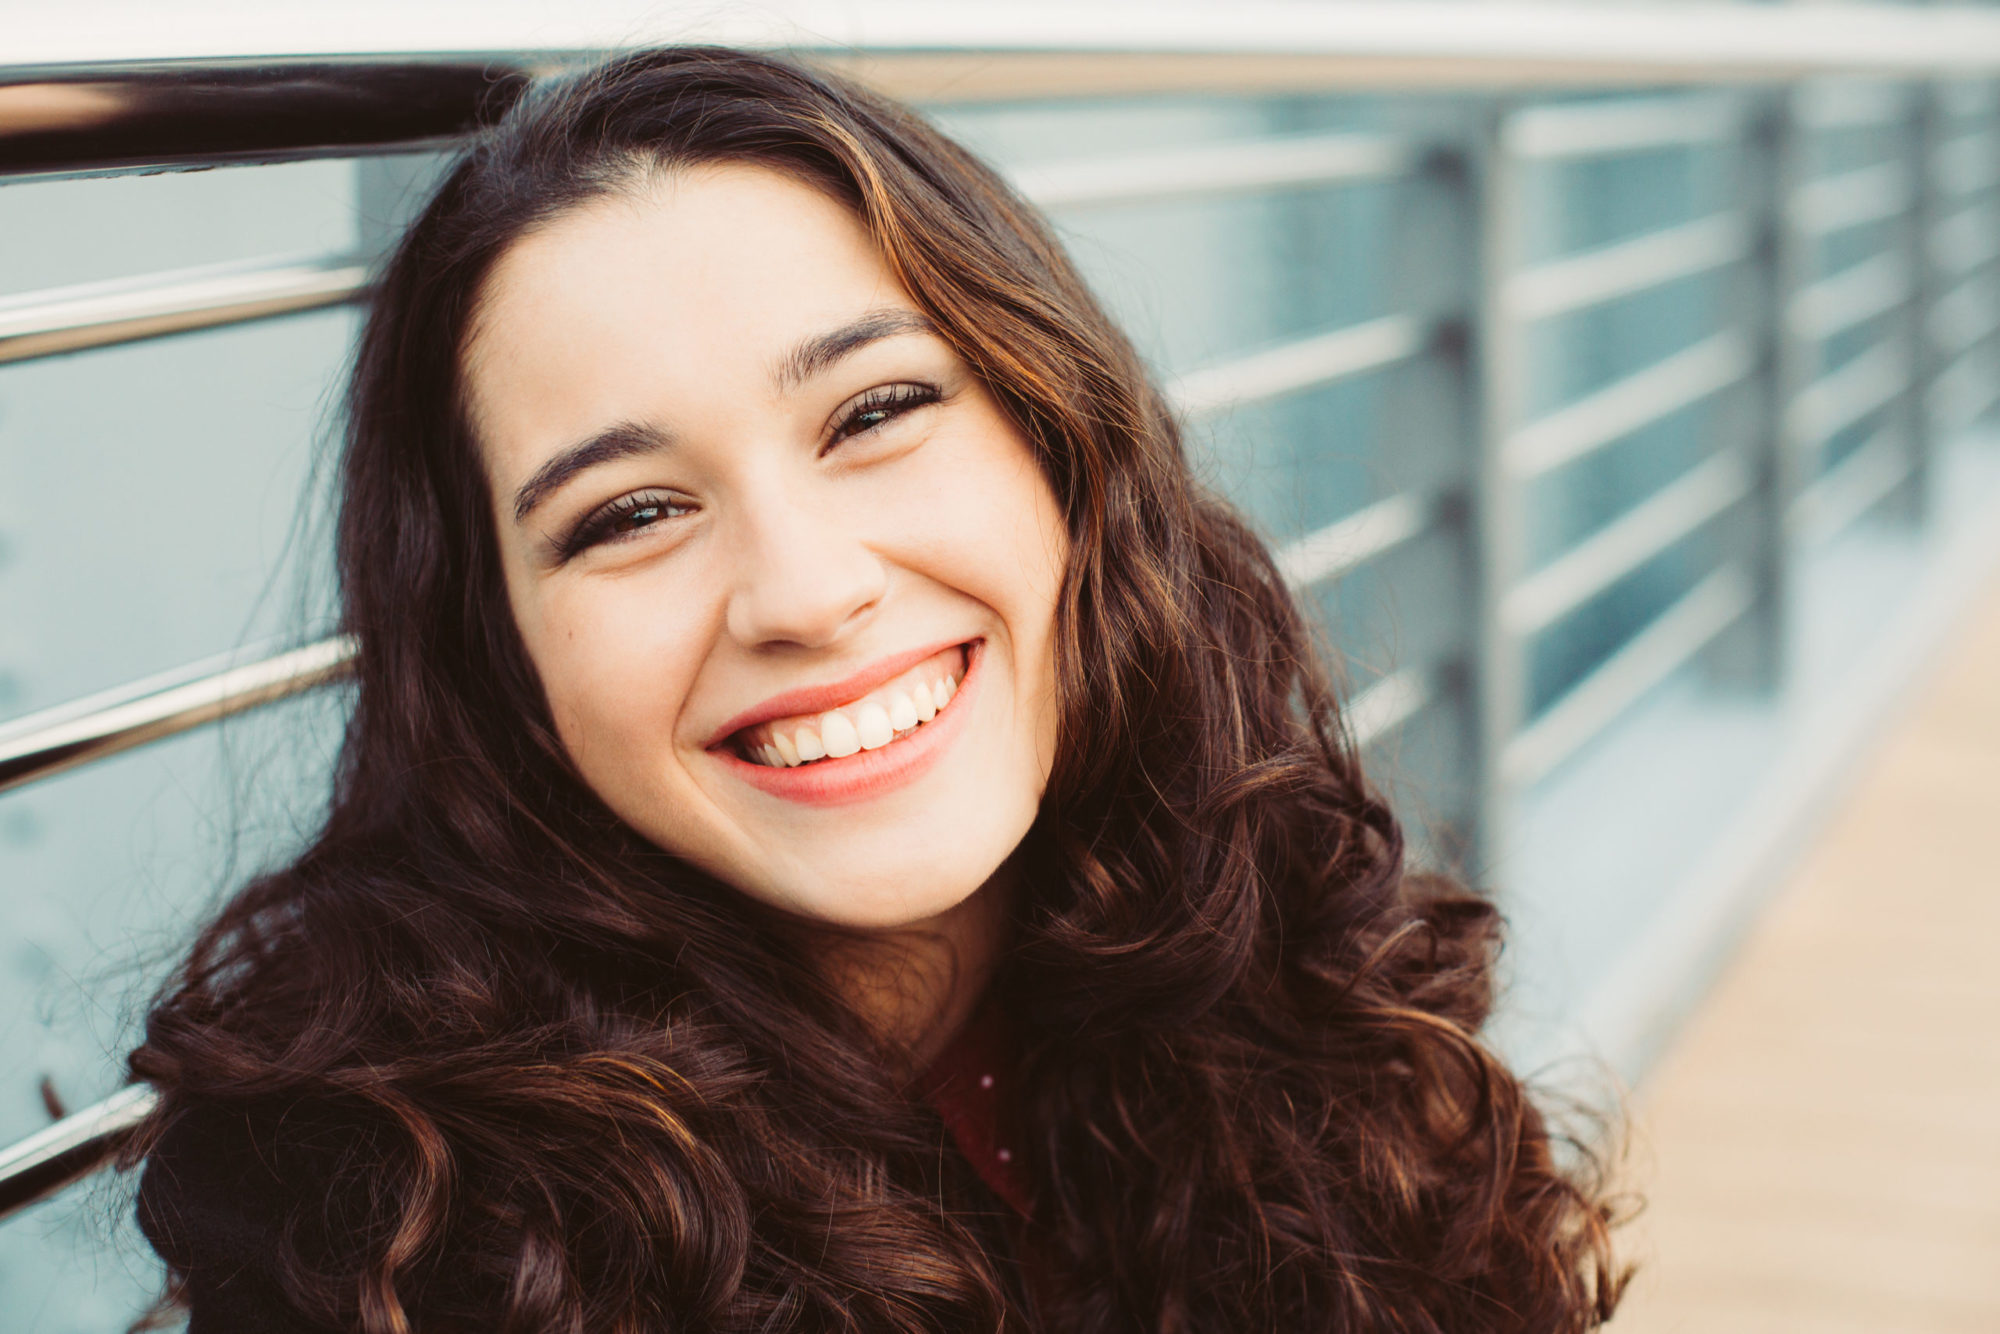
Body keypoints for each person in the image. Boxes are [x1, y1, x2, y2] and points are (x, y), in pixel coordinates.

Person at [127, 46, 1625, 1333]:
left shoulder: (1277, 966)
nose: (806, 591)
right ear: (503, 664)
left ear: (1061, 453)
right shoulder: (393, 1226)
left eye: (878, 410)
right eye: (630, 514)